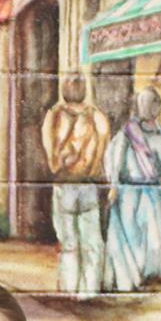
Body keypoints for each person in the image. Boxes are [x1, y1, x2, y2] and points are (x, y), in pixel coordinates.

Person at [103, 87, 161, 292]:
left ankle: (148, 275)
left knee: (154, 237)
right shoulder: (128, 134)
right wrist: (113, 185)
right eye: (147, 104)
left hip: (153, 191)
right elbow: (114, 160)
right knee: (131, 236)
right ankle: (130, 278)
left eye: (154, 104)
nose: (151, 109)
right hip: (129, 191)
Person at [41, 76, 111, 298]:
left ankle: (69, 289)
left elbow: (52, 162)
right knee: (92, 243)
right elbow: (102, 152)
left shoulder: (53, 117)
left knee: (68, 242)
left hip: (64, 185)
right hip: (88, 185)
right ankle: (89, 291)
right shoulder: (97, 117)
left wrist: (65, 156)